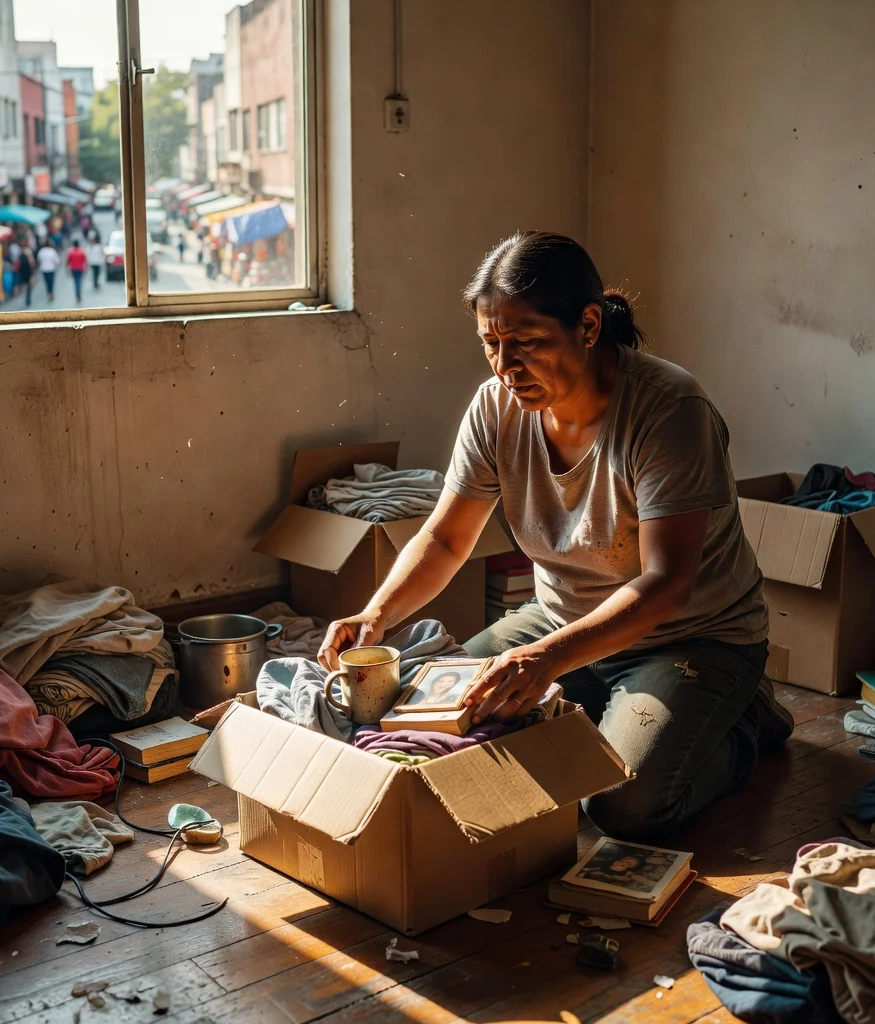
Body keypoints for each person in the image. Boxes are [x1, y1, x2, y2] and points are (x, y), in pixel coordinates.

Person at [318, 231, 791, 841]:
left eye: (528, 344)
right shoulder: (496, 408)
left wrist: (546, 661)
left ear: (589, 326)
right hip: (562, 621)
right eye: (491, 344)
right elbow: (445, 540)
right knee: (431, 719)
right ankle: (611, 710)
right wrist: (376, 614)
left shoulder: (669, 410)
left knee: (622, 805)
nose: (506, 366)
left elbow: (667, 584)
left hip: (694, 639)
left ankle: (744, 723)